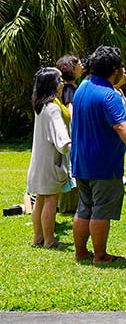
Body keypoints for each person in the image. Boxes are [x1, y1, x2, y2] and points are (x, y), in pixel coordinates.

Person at [70, 46, 126, 265]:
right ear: (115, 69)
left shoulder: (82, 87)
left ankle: (81, 253)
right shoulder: (109, 96)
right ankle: (100, 255)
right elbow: (121, 126)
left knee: (84, 206)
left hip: (80, 161)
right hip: (104, 163)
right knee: (101, 210)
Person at [28, 67, 71, 249]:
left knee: (40, 198)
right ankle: (49, 240)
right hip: (51, 162)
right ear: (52, 84)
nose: (62, 83)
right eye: (59, 80)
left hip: (39, 161)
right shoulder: (53, 108)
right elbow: (61, 139)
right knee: (51, 199)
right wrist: (73, 147)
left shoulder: (41, 105)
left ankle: (38, 238)